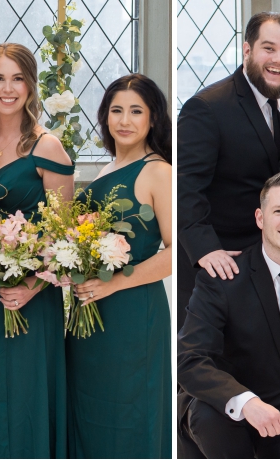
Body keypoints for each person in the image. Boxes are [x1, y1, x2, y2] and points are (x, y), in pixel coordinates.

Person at [179, 169, 280, 458]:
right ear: (260, 218)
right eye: (279, 211)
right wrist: (246, 402)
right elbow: (190, 359)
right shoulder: (222, 279)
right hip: (232, 418)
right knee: (209, 412)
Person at [0, 42, 74, 458]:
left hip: (30, 296)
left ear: (30, 86)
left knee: (25, 397)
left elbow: (63, 237)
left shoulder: (47, 147)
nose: (7, 89)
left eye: (17, 79)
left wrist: (31, 285)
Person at [68, 74, 173, 458]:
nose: (124, 120)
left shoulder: (158, 171)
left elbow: (176, 252)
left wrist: (113, 285)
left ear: (153, 118)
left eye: (135, 111)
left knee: (130, 413)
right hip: (90, 315)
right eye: (116, 110)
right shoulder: (107, 169)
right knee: (91, 411)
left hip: (133, 315)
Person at [178, 11, 280, 327]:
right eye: (268, 48)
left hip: (275, 260)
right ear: (247, 50)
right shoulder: (207, 107)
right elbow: (184, 186)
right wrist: (205, 250)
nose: (278, 59)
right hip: (222, 262)